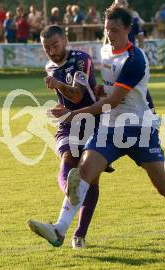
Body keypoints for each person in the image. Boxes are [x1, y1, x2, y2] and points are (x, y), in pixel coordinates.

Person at [28, 6, 165, 247]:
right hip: (111, 126)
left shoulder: (135, 59)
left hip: (139, 128)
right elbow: (107, 92)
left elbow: (112, 101)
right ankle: (60, 230)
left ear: (128, 29)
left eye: (115, 30)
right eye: (107, 30)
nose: (110, 35)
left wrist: (73, 114)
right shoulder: (106, 50)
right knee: (84, 171)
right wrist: (98, 91)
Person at [36, 25, 114, 249]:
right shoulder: (50, 66)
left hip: (93, 120)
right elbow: (67, 98)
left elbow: (79, 94)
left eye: (55, 45)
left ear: (65, 40)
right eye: (46, 48)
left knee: (91, 178)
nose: (51, 51)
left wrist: (58, 84)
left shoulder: (81, 59)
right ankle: (70, 194)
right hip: (69, 122)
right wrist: (60, 107)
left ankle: (79, 234)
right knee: (67, 161)